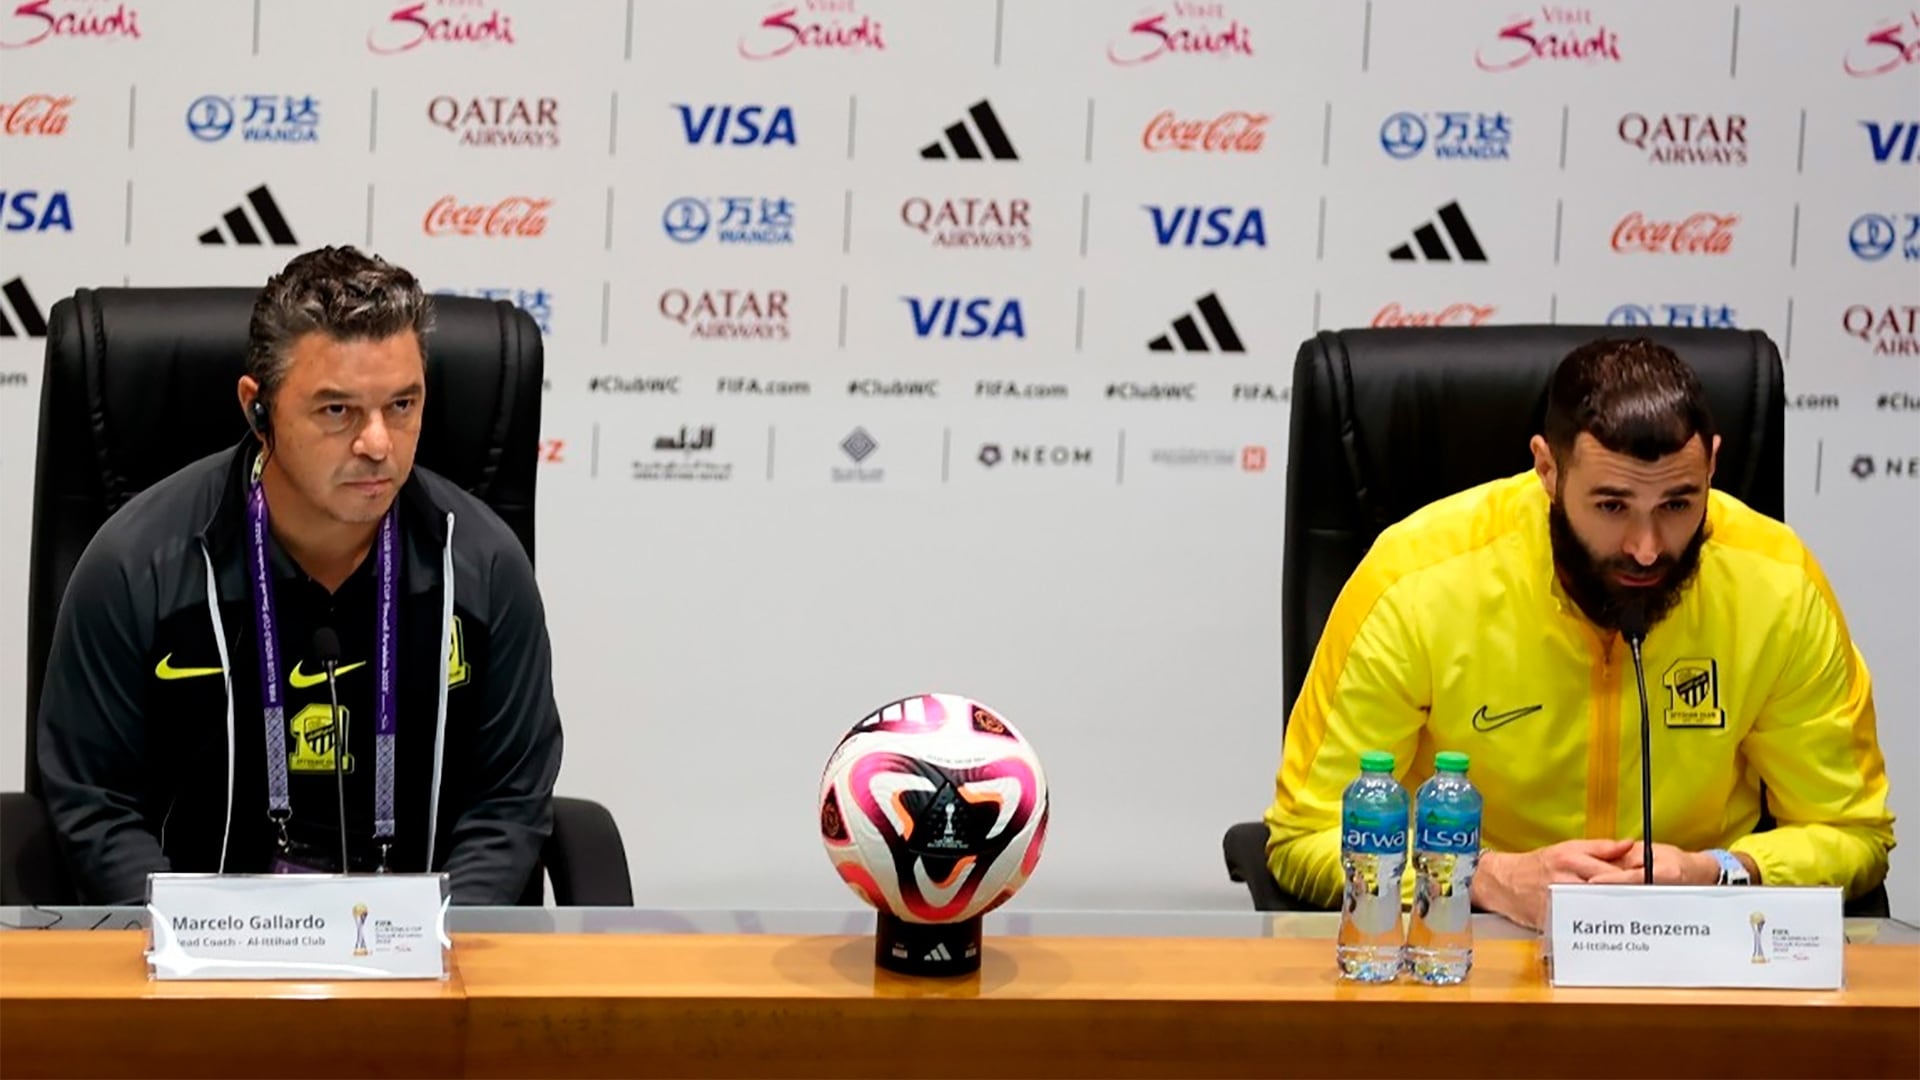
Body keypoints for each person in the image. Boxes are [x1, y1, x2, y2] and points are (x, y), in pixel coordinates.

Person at [1264, 338, 1894, 929]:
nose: (1647, 550)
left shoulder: (1777, 585)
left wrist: (1720, 871)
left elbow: (1851, 831)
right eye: (1612, 506)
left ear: (1712, 467)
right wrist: (1484, 877)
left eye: (1678, 504)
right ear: (1547, 469)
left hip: (1690, 953)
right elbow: (1309, 834)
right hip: (1468, 947)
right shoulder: (1416, 579)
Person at [38, 245, 564, 904]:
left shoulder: (484, 568)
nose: (377, 443)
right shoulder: (137, 567)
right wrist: (191, 951)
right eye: (337, 411)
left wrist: (440, 950)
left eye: (402, 405)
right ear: (258, 410)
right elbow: (97, 807)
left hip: (424, 966)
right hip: (191, 972)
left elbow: (509, 804)